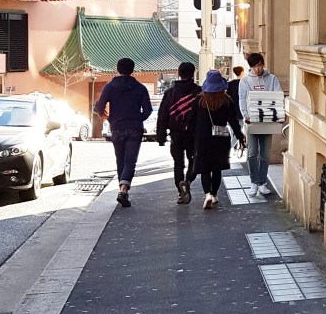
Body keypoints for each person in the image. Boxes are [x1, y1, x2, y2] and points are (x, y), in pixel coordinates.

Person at [93, 58, 152, 208]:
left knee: (120, 160)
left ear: (118, 69)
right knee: (130, 161)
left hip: (117, 127)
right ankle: (123, 190)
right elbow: (148, 110)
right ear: (132, 70)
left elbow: (99, 107)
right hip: (134, 128)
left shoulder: (110, 87)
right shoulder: (140, 88)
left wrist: (106, 117)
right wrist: (137, 118)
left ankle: (122, 190)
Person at [193, 69, 245, 209]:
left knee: (205, 168)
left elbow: (192, 121)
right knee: (217, 168)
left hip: (203, 139)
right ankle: (215, 194)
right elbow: (233, 122)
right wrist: (240, 136)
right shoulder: (227, 100)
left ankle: (207, 194)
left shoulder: (199, 100)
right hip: (221, 138)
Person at [155, 61, 201, 204]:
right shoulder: (199, 92)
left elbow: (162, 115)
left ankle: (181, 190)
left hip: (176, 134)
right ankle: (188, 181)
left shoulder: (170, 93)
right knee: (194, 160)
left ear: (179, 74)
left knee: (178, 163)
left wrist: (161, 135)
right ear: (193, 73)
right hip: (194, 135)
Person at [238, 52, 281, 197]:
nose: (257, 69)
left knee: (265, 154)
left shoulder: (272, 78)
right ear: (250, 67)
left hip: (267, 120)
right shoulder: (244, 81)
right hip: (251, 121)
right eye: (254, 66)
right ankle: (253, 182)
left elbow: (278, 95)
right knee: (251, 153)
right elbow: (242, 99)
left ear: (263, 64)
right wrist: (245, 115)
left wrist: (278, 114)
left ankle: (262, 182)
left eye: (259, 65)